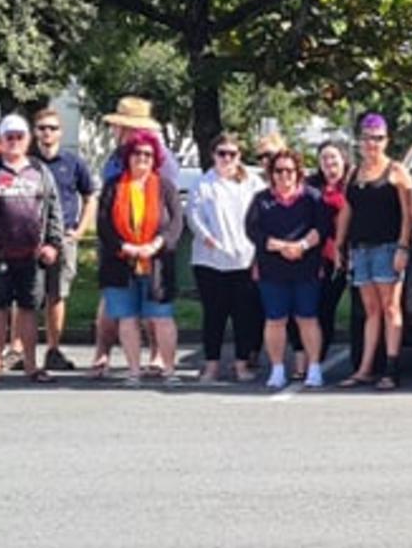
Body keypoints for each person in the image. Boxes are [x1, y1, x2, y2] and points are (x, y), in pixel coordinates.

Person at [0, 114, 63, 387]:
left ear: (28, 139)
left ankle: (31, 365)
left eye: (19, 136)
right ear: (1, 139)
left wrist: (52, 243)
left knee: (29, 309)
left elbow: (54, 209)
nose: (14, 141)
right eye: (9, 136)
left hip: (32, 254)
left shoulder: (40, 170)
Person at [88, 96, 175, 378]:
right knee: (114, 308)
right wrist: (122, 244)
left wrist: (154, 244)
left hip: (153, 251)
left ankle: (158, 357)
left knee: (155, 311)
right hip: (118, 250)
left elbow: (171, 211)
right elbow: (104, 212)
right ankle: (107, 355)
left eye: (120, 127)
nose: (115, 131)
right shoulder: (114, 159)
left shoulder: (161, 160)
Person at [334, 113, 412, 390]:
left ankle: (391, 369)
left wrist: (403, 247)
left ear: (386, 140)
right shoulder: (354, 173)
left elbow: (408, 214)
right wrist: (339, 245)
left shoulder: (396, 171)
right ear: (360, 141)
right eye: (368, 138)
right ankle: (365, 368)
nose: (372, 144)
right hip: (361, 249)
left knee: (390, 308)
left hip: (388, 247)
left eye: (378, 138)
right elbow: (347, 210)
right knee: (370, 310)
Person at [246, 151, 330, 390]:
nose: (284, 176)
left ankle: (314, 369)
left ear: (298, 173)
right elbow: (253, 231)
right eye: (278, 171)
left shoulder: (313, 198)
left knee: (307, 318)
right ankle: (277, 369)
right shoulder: (261, 200)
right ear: (271, 174)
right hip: (272, 269)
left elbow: (322, 228)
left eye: (289, 171)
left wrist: (301, 246)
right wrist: (280, 246)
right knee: (275, 320)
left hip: (306, 267)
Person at [187, 133, 262, 383]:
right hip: (210, 261)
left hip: (244, 260)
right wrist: (208, 238)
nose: (227, 159)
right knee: (214, 315)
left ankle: (242, 365)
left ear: (239, 156)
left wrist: (255, 250)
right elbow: (194, 216)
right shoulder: (203, 183)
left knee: (244, 315)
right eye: (222, 153)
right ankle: (211, 365)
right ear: (213, 155)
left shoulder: (252, 183)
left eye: (232, 154)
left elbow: (261, 216)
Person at [30, 108, 96, 372]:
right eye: (42, 128)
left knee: (57, 295)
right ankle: (20, 350)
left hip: (62, 238)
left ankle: (53, 349)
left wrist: (79, 231)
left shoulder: (73, 162)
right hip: (29, 239)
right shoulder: (27, 163)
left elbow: (90, 196)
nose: (47, 133)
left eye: (52, 128)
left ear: (60, 132)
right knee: (26, 297)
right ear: (35, 132)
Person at [299, 140, 351, 377]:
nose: (329, 164)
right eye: (324, 159)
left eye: (334, 158)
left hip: (351, 253)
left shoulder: (353, 183)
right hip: (318, 256)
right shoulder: (310, 187)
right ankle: (314, 361)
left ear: (343, 160)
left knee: (357, 310)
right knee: (319, 309)